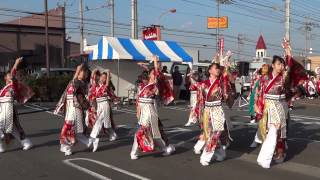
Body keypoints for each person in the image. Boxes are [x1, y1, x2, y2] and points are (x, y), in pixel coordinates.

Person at [254, 39, 307, 168]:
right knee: (268, 132)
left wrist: (288, 49)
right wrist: (257, 105)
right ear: (273, 65)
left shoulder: (284, 77)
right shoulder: (264, 78)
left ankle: (275, 155)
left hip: (279, 106)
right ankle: (270, 155)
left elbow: (289, 65)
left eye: (282, 65)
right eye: (279, 64)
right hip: (267, 106)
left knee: (278, 131)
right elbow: (258, 92)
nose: (281, 67)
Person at [130, 56, 175, 160]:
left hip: (150, 110)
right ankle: (165, 149)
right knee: (148, 132)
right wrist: (138, 112)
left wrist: (155, 62)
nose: (154, 74)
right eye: (152, 73)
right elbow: (139, 101)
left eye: (154, 73)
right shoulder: (143, 86)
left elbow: (155, 75)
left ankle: (135, 152)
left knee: (149, 133)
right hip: (143, 110)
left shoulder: (154, 84)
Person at [193, 62, 235, 166]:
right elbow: (200, 100)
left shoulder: (221, 82)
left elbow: (231, 84)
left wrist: (227, 69)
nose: (218, 70)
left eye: (218, 68)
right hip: (207, 110)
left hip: (217, 109)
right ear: (210, 70)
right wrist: (199, 113)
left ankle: (205, 156)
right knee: (210, 134)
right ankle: (221, 153)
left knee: (216, 133)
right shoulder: (204, 84)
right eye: (215, 68)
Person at [55, 64, 91, 156]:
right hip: (70, 108)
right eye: (81, 71)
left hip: (76, 108)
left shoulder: (82, 83)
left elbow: (74, 83)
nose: (81, 73)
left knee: (69, 129)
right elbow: (69, 88)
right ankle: (87, 142)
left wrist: (77, 71)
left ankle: (68, 148)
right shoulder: (73, 81)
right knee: (70, 129)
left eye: (82, 71)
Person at [0, 57, 34, 152]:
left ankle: (2, 136)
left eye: (11, 75)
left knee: (7, 126)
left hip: (9, 109)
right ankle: (26, 142)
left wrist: (16, 63)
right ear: (5, 78)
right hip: (3, 109)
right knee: (14, 129)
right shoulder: (4, 88)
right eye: (8, 75)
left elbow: (13, 74)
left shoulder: (14, 85)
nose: (10, 76)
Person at [86, 69, 118, 152]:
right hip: (98, 104)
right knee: (105, 122)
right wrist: (94, 72)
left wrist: (108, 72)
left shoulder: (106, 86)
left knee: (99, 121)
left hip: (105, 104)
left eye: (105, 78)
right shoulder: (95, 85)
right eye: (102, 77)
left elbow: (107, 83)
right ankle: (113, 135)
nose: (103, 79)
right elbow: (92, 79)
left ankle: (92, 138)